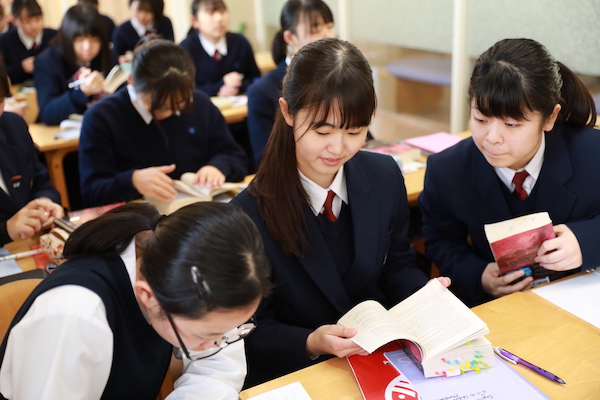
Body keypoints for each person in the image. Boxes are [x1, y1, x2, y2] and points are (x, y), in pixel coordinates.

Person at [232, 38, 447, 386]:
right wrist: (310, 341)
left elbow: (397, 264)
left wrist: (425, 298)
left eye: (354, 131)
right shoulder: (245, 216)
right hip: (302, 375)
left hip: (382, 362)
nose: (338, 147)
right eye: (322, 130)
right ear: (288, 112)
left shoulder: (383, 176)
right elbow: (248, 329)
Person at [0, 201, 272, 399]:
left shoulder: (176, 272)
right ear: (147, 296)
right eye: (207, 335)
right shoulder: (73, 316)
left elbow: (219, 366)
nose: (215, 344)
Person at [419, 38, 599, 307]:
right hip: (501, 311)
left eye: (512, 124)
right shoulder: (447, 169)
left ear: (549, 117)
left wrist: (585, 241)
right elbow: (440, 240)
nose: (492, 138)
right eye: (480, 119)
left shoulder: (592, 153)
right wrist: (480, 275)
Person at [79, 39, 248, 207]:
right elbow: (92, 192)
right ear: (132, 80)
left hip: (200, 211)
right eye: (160, 106)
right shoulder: (101, 117)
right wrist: (132, 180)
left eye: (180, 102)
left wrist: (218, 167)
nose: (170, 111)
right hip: (139, 219)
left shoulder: (199, 103)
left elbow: (235, 156)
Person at [246, 0, 334, 167]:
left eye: (329, 26)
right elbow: (266, 159)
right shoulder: (262, 92)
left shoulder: (338, 77)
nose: (327, 35)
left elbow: (362, 137)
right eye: (315, 29)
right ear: (290, 37)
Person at [0, 57, 63, 247]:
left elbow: (40, 181)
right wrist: (6, 230)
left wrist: (45, 203)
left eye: (0, 100)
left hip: (27, 248)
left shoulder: (13, 126)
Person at [34, 3, 116, 125]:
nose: (87, 47)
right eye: (80, 40)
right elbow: (48, 113)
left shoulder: (108, 55)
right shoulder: (47, 61)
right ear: (67, 38)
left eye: (94, 39)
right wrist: (82, 91)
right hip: (61, 134)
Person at [180, 0, 260, 97]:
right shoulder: (186, 48)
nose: (219, 18)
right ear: (195, 21)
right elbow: (185, 89)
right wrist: (219, 87)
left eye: (222, 12)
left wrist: (237, 87)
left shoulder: (240, 42)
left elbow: (256, 79)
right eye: (210, 13)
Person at [0, 0, 56, 84]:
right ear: (15, 21)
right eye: (27, 21)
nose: (34, 26)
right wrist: (21, 68)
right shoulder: (4, 41)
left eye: (37, 20)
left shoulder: (54, 36)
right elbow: (3, 75)